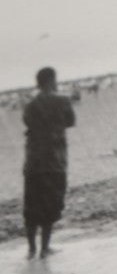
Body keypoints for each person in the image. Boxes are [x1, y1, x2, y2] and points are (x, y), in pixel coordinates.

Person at [21, 66, 75, 259]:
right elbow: (70, 122)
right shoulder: (63, 100)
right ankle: (45, 248)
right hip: (55, 160)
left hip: (34, 160)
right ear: (52, 80)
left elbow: (27, 123)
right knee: (51, 203)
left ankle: (31, 249)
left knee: (32, 204)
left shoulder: (31, 104)